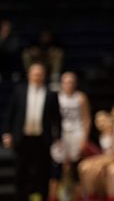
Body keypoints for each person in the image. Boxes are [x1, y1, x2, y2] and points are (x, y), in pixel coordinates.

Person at [2, 62, 62, 201]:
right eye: (34, 74)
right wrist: (7, 133)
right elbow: (11, 113)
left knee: (42, 172)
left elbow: (57, 118)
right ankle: (20, 197)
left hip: (42, 139)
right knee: (21, 171)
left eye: (40, 74)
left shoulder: (51, 94)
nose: (37, 76)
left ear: (44, 76)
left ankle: (42, 197)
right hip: (23, 137)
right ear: (29, 75)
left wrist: (58, 137)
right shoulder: (19, 91)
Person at [49, 71, 92, 201]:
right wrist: (55, 137)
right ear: (62, 83)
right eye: (66, 82)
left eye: (71, 82)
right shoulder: (56, 97)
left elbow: (86, 118)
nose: (68, 84)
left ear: (75, 83)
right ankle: (53, 197)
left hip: (77, 134)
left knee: (75, 169)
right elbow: (52, 119)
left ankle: (78, 197)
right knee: (57, 168)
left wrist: (84, 138)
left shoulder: (80, 98)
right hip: (61, 135)